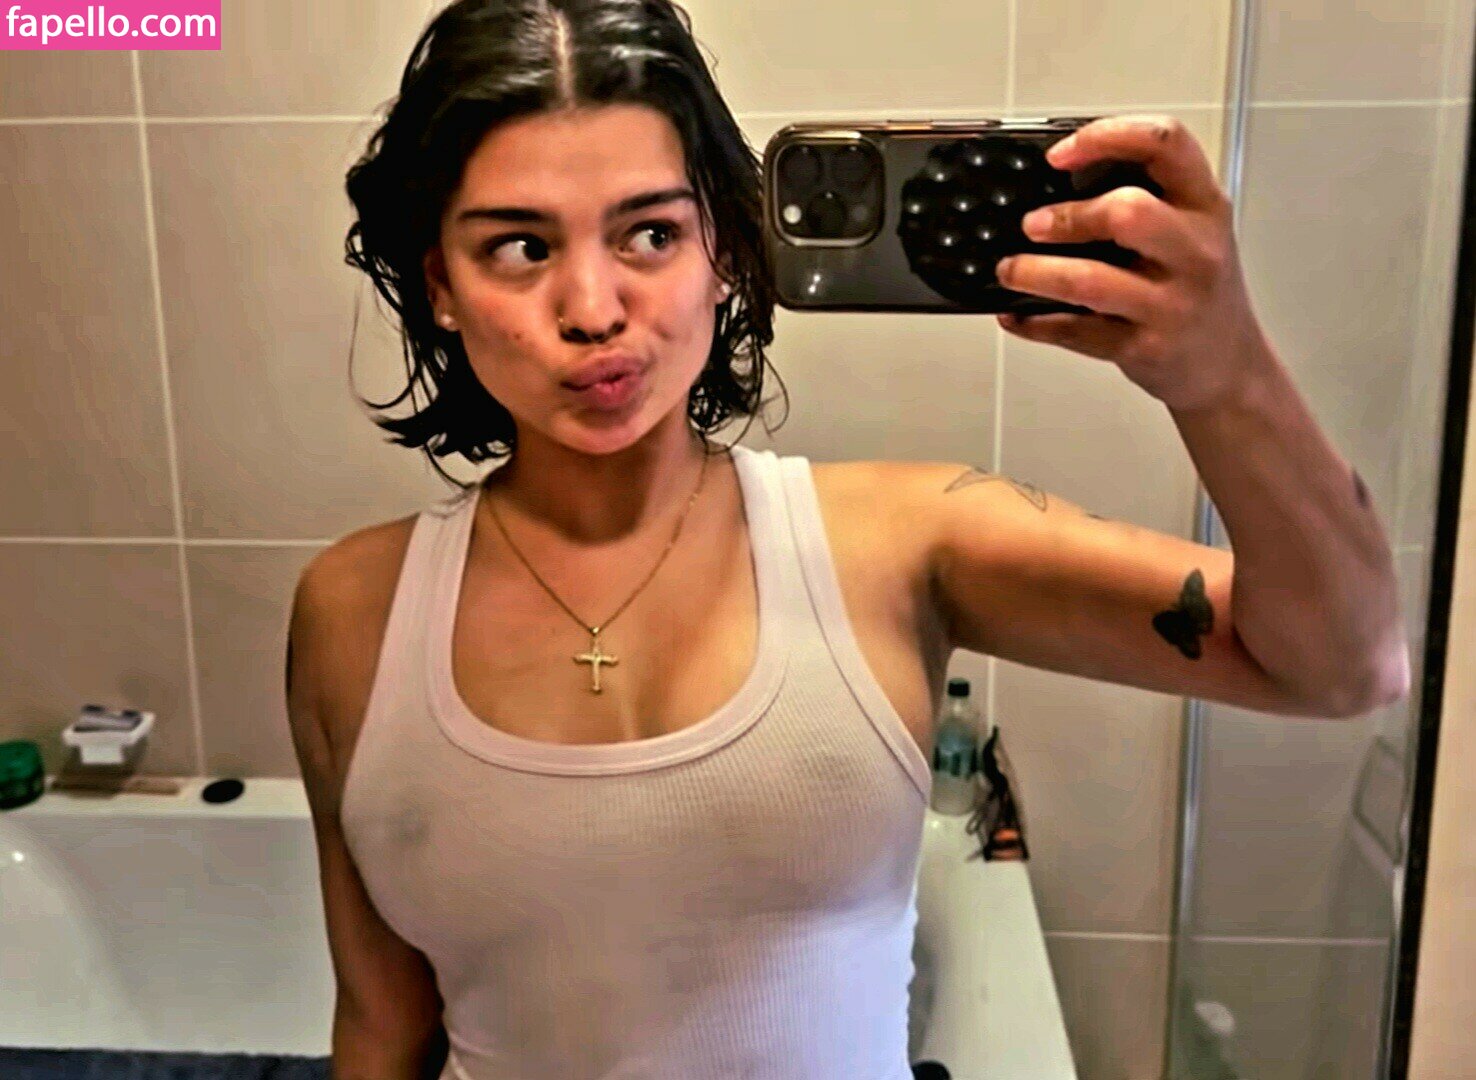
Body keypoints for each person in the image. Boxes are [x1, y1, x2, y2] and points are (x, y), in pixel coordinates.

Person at [285, 1, 1410, 1078]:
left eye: (651, 234)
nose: (592, 308)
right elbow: (382, 1025)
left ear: (726, 250)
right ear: (441, 285)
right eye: (520, 248)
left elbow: (1345, 665)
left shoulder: (902, 546)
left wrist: (1226, 375)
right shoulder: (356, 614)